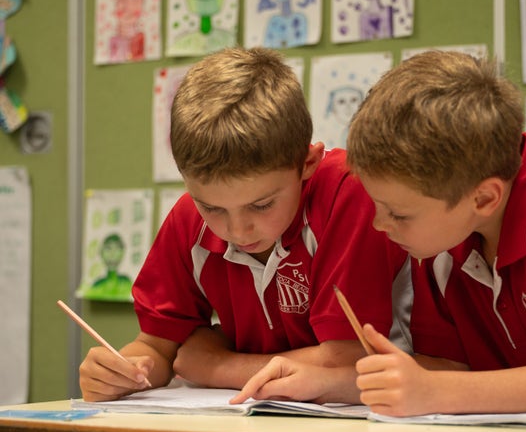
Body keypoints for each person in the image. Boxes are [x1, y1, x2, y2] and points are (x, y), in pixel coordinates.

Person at [237, 50, 526, 416]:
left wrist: (432, 390)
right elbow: (447, 367)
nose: (380, 225)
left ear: (484, 198)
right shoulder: (441, 238)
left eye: (397, 213)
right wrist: (327, 382)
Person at [77, 46, 411, 403]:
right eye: (212, 207)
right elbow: (159, 348)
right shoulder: (188, 219)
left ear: (307, 164)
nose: (236, 230)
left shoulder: (348, 192)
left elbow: (347, 360)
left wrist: (216, 365)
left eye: (261, 205)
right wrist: (126, 371)